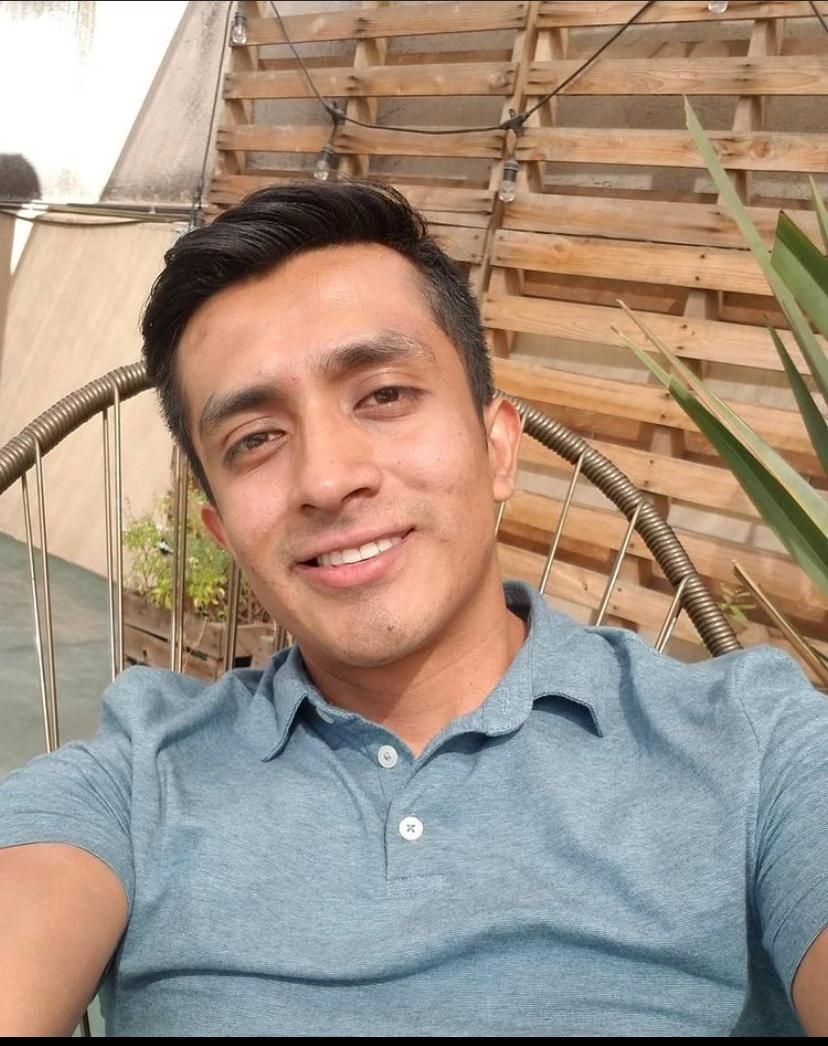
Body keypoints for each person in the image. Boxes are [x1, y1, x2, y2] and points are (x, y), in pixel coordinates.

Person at [0, 180, 826, 1037]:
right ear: (225, 533)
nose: (327, 479)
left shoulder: (754, 746)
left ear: (497, 448)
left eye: (384, 395)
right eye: (255, 440)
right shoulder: (139, 778)